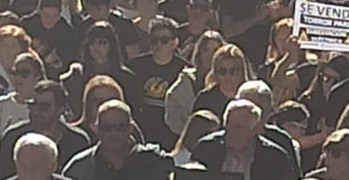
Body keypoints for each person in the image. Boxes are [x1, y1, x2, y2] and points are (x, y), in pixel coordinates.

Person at [62, 100, 174, 180]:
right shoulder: (79, 169)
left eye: (120, 127)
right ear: (96, 128)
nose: (113, 134)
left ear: (131, 128)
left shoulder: (156, 163)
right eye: (107, 128)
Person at [0, 80, 90, 180]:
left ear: (60, 109)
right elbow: (3, 179)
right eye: (32, 105)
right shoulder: (12, 138)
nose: (36, 111)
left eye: (43, 107)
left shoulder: (77, 141)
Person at [0, 51, 46, 174]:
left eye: (24, 73)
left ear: (38, 76)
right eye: (14, 73)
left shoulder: (47, 107)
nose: (18, 78)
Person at [61, 21, 140, 119]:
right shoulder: (77, 77)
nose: (96, 47)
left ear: (111, 45)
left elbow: (134, 111)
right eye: (92, 42)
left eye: (102, 42)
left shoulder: (127, 78)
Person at [131, 16, 189, 147]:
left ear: (174, 42)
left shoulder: (185, 70)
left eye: (164, 40)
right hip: (143, 131)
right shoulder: (136, 66)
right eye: (154, 40)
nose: (158, 45)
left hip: (171, 134)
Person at [164, 29, 226, 136]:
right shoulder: (186, 80)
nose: (211, 55)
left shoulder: (228, 80)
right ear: (199, 53)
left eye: (215, 50)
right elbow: (172, 107)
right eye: (206, 50)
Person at [191, 43, 253, 125]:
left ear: (243, 72)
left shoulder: (252, 96)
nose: (228, 76)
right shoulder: (205, 99)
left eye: (233, 71)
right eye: (222, 71)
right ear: (215, 73)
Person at [23, 0, 81, 74]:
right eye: (46, 15)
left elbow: (69, 59)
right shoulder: (26, 25)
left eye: (54, 16)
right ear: (39, 11)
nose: (50, 20)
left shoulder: (66, 32)